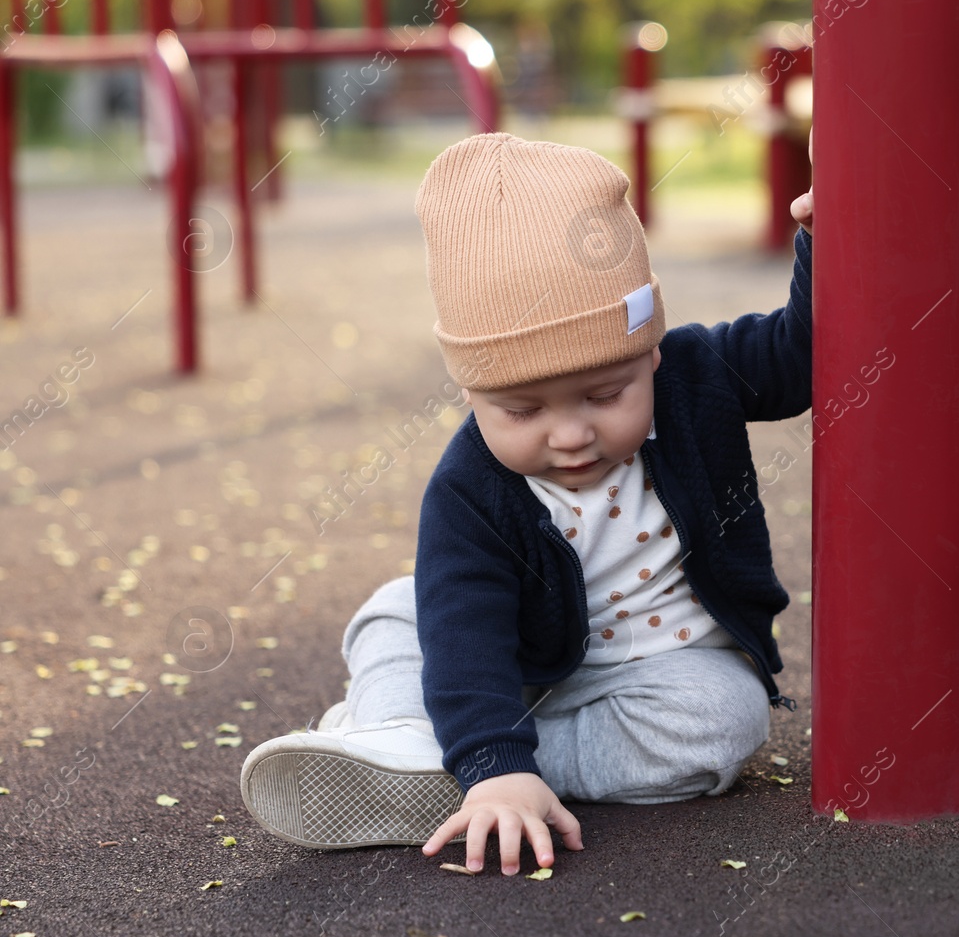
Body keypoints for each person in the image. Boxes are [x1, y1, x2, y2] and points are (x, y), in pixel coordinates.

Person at [240, 130, 815, 875]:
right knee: (400, 611)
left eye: (607, 394)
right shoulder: (470, 489)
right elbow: (467, 633)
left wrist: (824, 243)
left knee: (724, 718)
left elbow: (803, 357)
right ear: (469, 391)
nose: (571, 432)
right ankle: (414, 737)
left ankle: (437, 761)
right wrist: (492, 750)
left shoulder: (698, 373)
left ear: (652, 348)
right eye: (521, 410)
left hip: (653, 673)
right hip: (509, 659)